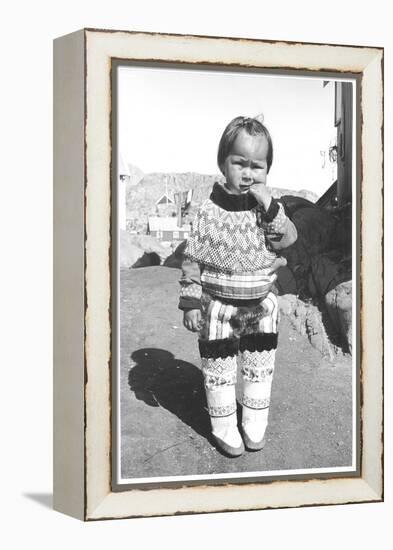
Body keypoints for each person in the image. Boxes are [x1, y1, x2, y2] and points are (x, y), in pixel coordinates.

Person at [178, 115, 297, 457]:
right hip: (217, 306)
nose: (248, 173)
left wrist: (272, 208)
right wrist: (189, 303)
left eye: (257, 166)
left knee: (260, 369)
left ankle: (254, 423)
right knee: (219, 370)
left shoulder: (268, 210)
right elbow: (193, 259)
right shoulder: (207, 211)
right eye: (239, 163)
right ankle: (224, 426)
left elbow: (287, 240)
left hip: (261, 305)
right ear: (222, 164)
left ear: (267, 170)